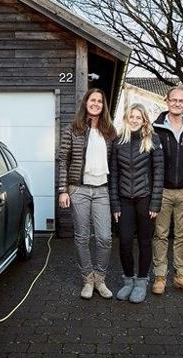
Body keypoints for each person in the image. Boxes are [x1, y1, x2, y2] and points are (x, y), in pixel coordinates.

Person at [58, 88, 117, 300]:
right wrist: (62, 190)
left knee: (104, 238)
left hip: (102, 190)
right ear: (86, 102)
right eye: (93, 100)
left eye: (100, 101)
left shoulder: (110, 132)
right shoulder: (72, 129)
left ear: (103, 106)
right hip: (79, 189)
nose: (96, 104)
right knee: (82, 237)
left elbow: (114, 164)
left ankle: (100, 278)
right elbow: (63, 160)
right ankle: (87, 279)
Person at [109, 103, 164, 303]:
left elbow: (159, 173)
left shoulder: (153, 140)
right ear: (126, 118)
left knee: (144, 241)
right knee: (124, 241)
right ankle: (128, 282)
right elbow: (114, 175)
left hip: (145, 199)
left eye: (138, 117)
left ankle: (141, 282)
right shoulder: (118, 142)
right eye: (131, 116)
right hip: (124, 200)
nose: (134, 120)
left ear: (144, 121)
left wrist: (155, 203)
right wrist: (114, 205)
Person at [151, 86, 183, 295]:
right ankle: (160, 276)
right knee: (161, 234)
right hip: (162, 190)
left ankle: (181, 275)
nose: (177, 103)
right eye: (174, 100)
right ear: (167, 101)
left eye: (181, 100)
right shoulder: (156, 128)